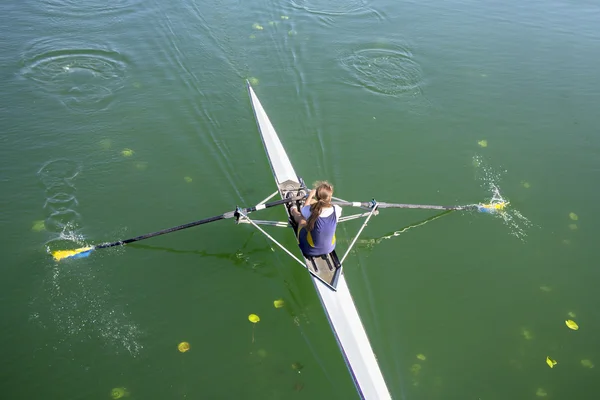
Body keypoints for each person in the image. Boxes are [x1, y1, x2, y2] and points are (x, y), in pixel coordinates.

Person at [288, 181, 342, 257]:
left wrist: (309, 196)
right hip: (330, 248)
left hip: (309, 249)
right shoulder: (337, 209)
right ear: (330, 197)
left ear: (316, 195)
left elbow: (304, 210)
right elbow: (322, 204)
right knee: (313, 205)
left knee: (302, 219)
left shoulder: (310, 211)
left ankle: (293, 209)